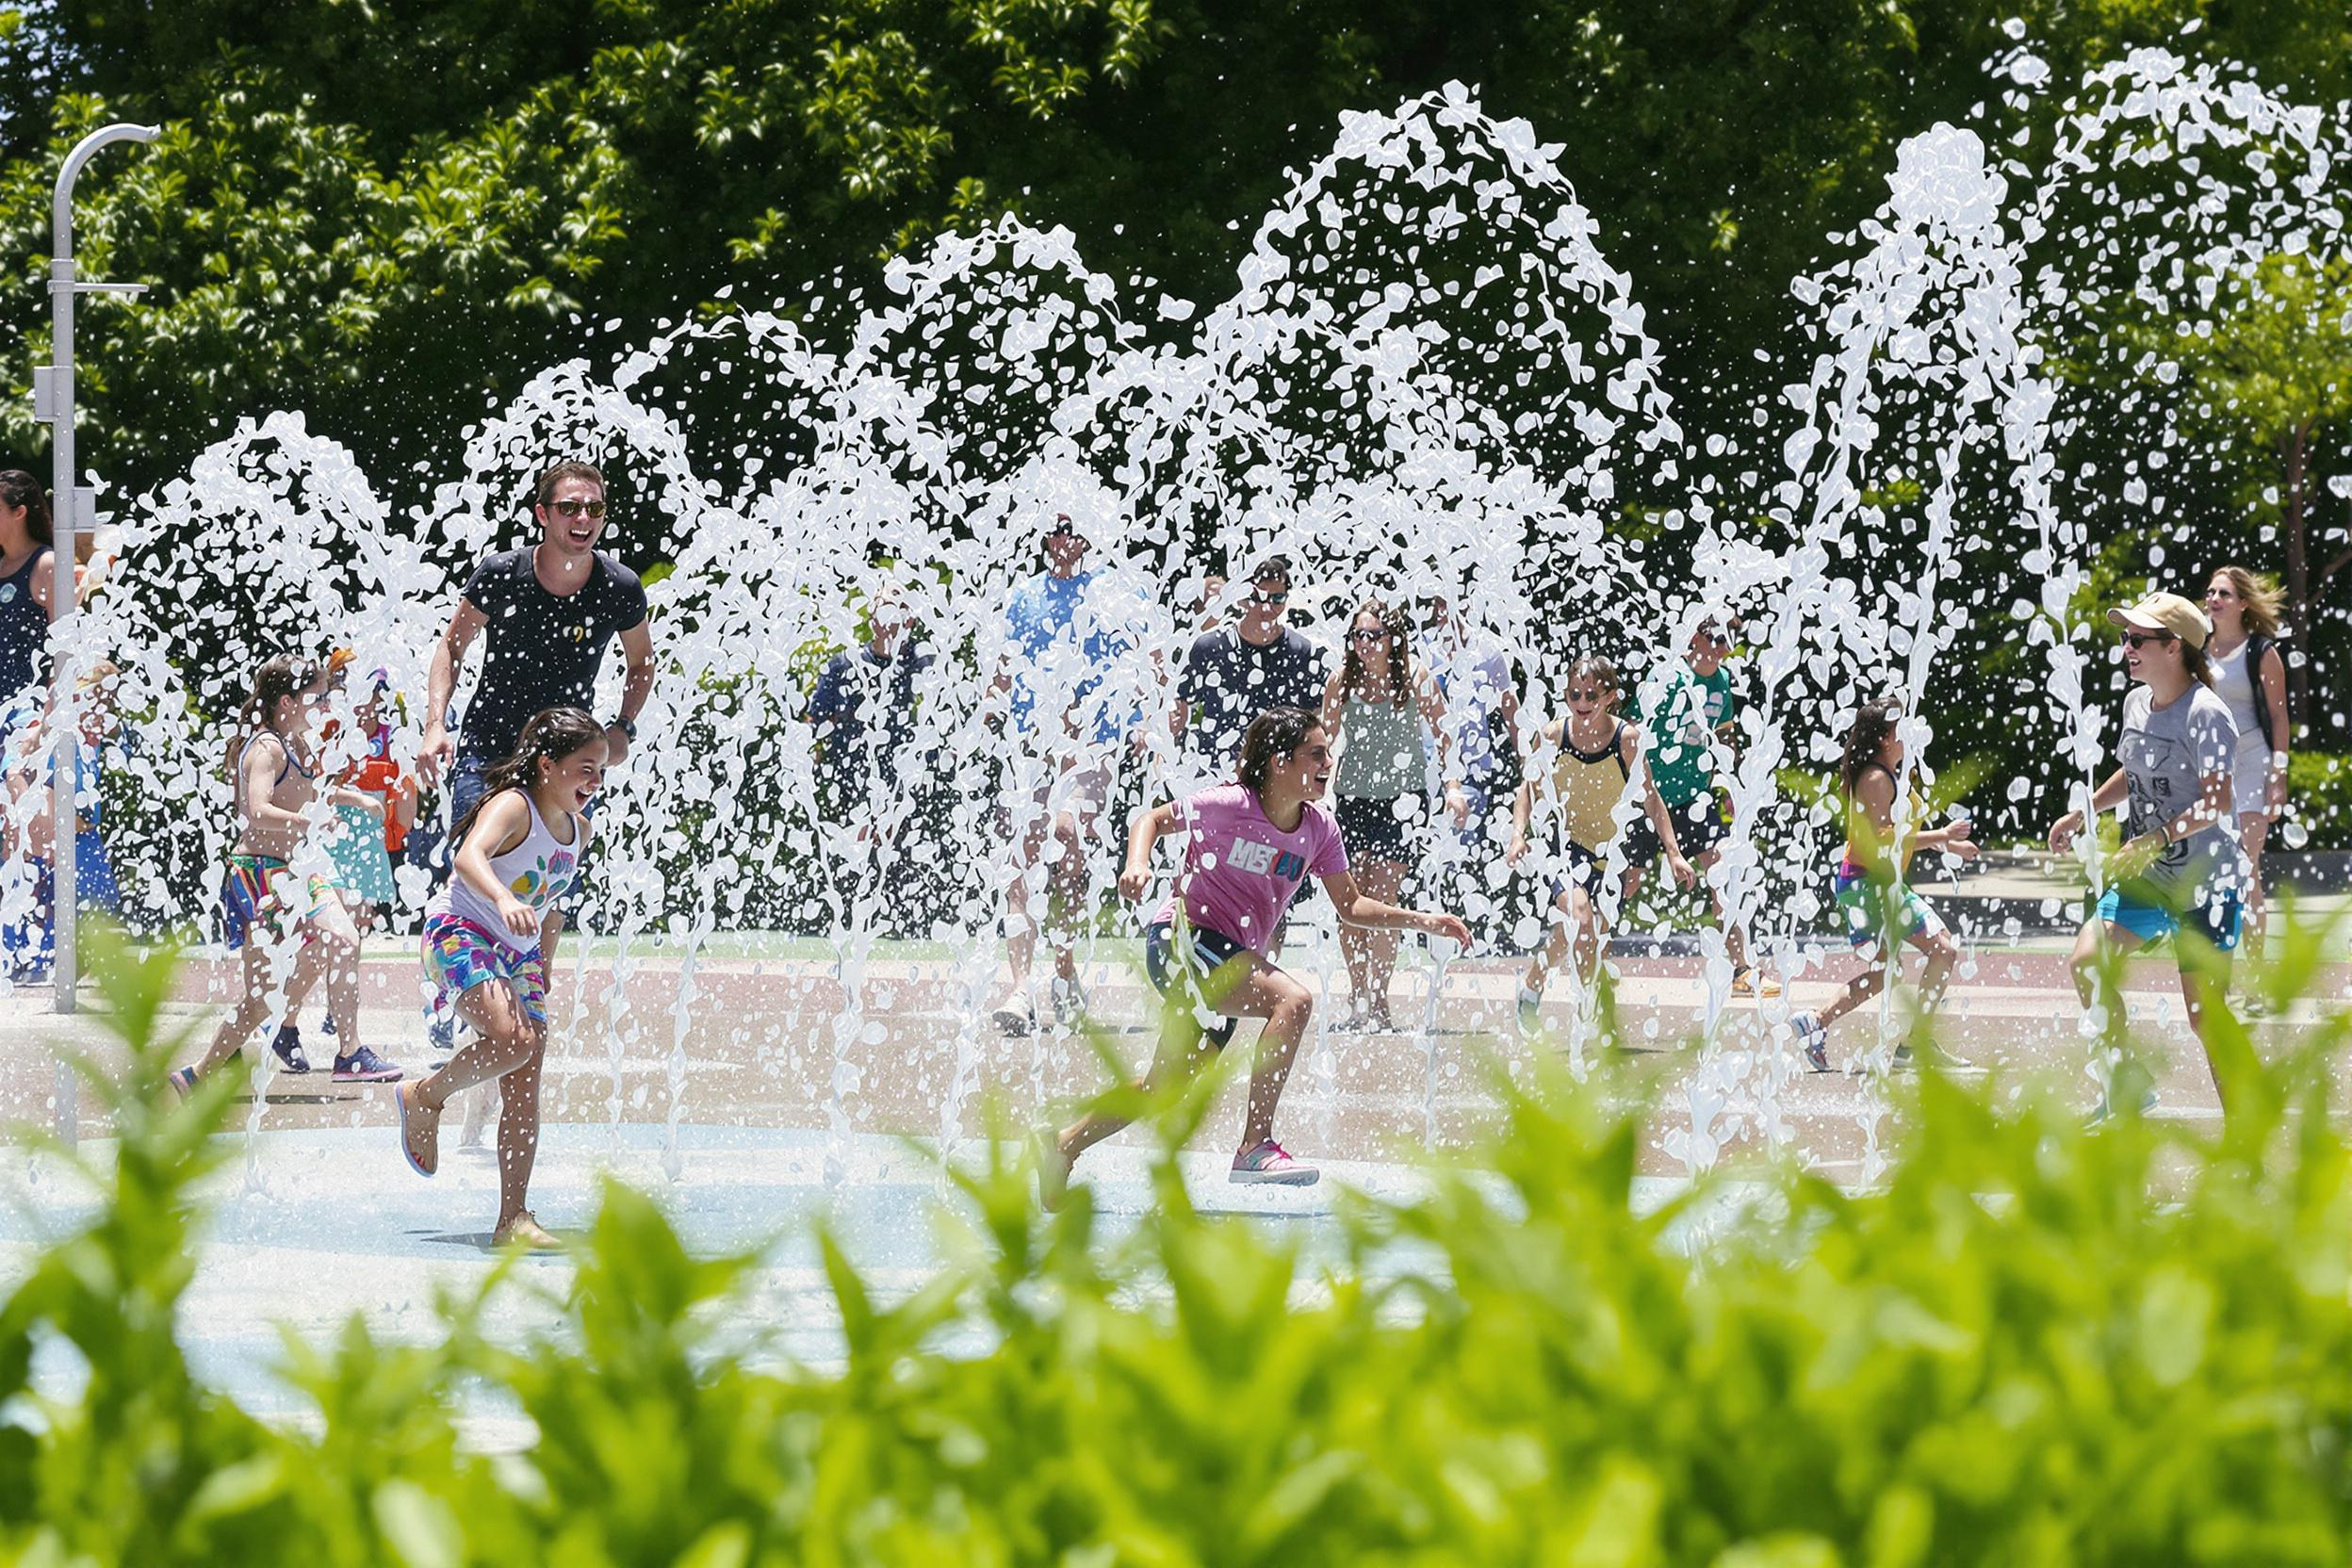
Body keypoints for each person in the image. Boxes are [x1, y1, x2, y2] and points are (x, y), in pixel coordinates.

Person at [1037, 706, 1471, 1204]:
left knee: (1164, 1088)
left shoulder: (1319, 830)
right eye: (1317, 753)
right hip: (1182, 941)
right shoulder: (1230, 805)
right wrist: (1137, 866)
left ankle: (1064, 1144)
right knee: (1293, 1000)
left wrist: (1424, 920)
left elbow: (1352, 906)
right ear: (1279, 763)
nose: (1329, 762)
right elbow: (1151, 820)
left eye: (1328, 752)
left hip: (1227, 955)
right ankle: (1254, 1145)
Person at [418, 461, 653, 1049]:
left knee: (552, 874)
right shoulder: (502, 574)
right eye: (570, 508)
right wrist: (433, 726)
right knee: (477, 862)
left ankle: (530, 983)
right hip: (490, 749)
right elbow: (452, 646)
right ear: (542, 515)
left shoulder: (619, 587)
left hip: (565, 756)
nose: (583, 519)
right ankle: (454, 983)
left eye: (594, 509)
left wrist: (624, 725)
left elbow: (641, 661)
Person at [395, 708, 605, 1250]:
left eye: (600, 771)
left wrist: (546, 962)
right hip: (460, 931)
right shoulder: (515, 806)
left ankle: (513, 1218)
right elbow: (468, 857)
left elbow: (554, 905)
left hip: (520, 953)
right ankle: (425, 1095)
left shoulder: (579, 830)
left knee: (525, 1080)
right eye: (585, 768)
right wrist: (503, 897)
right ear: (546, 765)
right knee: (513, 1041)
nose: (595, 782)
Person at [170, 656, 403, 1097]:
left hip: (297, 872)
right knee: (263, 997)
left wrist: (354, 798)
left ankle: (350, 1052)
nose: (324, 705)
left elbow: (308, 791)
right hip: (260, 877)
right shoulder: (267, 749)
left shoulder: (297, 744)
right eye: (316, 697)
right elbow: (256, 811)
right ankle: (196, 1075)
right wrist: (309, 824)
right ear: (287, 701)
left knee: (341, 941)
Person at [2047, 592, 2243, 1110]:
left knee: (2206, 1019)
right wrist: (2084, 810)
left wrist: (2152, 839)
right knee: (2089, 960)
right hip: (2150, 877)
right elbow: (2134, 773)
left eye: (2138, 639)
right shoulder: (2137, 703)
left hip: (2206, 884)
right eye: (2125, 638)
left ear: (2174, 647)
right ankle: (2126, 1082)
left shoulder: (2206, 714)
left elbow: (2219, 802)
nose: (2127, 648)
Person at [985, 510, 1146, 1035]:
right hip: (1033, 741)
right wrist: (988, 705)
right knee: (1021, 855)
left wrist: (1144, 722)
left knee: (1065, 834)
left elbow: (1139, 660)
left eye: (1073, 529)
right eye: (1054, 529)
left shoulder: (1109, 593)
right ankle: (1020, 987)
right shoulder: (1024, 597)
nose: (1063, 539)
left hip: (1091, 742)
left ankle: (1066, 967)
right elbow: (1008, 665)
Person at [1785, 697, 1976, 1070]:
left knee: (1887, 972)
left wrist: (1949, 844)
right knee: (1943, 949)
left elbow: (1899, 832)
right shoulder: (1875, 778)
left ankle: (1816, 1022)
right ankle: (1915, 1044)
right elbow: (1885, 838)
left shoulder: (1891, 774)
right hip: (1868, 885)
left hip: (1873, 885)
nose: (1912, 732)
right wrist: (1941, 836)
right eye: (1903, 727)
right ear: (1888, 737)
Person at [1505, 656, 1692, 1036]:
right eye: (1575, 694)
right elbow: (1527, 786)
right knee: (1581, 921)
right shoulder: (1554, 736)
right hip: (1566, 845)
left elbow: (1651, 799)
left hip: (1613, 852)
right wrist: (1518, 834)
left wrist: (1673, 853)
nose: (1582, 701)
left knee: (1587, 933)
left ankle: (1530, 987)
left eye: (1592, 693)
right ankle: (1589, 1014)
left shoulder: (1627, 740)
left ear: (1610, 696)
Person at [1321, 598, 1463, 1031]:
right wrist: (1311, 793)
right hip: (1352, 799)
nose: (1365, 644)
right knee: (1349, 903)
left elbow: (1445, 733)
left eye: (1374, 635)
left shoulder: (1415, 678)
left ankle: (1379, 1000)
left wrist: (1454, 787)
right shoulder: (1341, 681)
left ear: (1393, 639)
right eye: (1358, 636)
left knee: (1383, 897)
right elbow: (1324, 741)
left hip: (1402, 802)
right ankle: (1355, 994)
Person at [1624, 612, 1775, 997]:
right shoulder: (1667, 678)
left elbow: (1724, 736)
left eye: (1731, 639)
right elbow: (1631, 733)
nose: (1725, 647)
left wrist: (1727, 780)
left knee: (1723, 876)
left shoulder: (1723, 682)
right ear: (1696, 636)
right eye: (1718, 637)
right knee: (1628, 883)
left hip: (1696, 798)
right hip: (1651, 797)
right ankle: (1588, 954)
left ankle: (1742, 968)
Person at [804, 587, 940, 928]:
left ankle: (897, 917)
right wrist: (812, 757)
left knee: (895, 839)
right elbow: (814, 718)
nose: (891, 614)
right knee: (857, 841)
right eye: (884, 604)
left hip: (902, 769)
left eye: (901, 606)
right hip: (851, 768)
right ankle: (847, 915)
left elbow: (941, 709)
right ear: (872, 616)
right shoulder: (844, 663)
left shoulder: (921, 663)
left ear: (909, 619)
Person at [2, 662, 127, 980]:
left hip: (84, 836)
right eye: (102, 695)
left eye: (112, 698)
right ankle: (32, 969)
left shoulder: (90, 734)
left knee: (99, 911)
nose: (108, 706)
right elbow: (16, 771)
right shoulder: (50, 728)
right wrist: (32, 831)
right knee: (42, 903)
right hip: (57, 838)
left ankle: (51, 968)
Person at [2201, 566, 2289, 1003]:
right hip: (2212, 772)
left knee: (2243, 868)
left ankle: (2252, 978)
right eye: (2211, 591)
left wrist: (2279, 775)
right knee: (2219, 872)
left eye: (2224, 593)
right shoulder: (2196, 649)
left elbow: (2278, 717)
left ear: (2243, 603)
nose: (2214, 598)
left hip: (2253, 768)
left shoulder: (2261, 651)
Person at [1419, 591, 1521, 932]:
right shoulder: (1423, 648)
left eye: (1454, 605)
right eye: (1439, 604)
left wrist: (1526, 761)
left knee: (1462, 851)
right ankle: (1429, 928)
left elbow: (1510, 706)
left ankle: (1463, 925)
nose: (1446, 613)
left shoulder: (1487, 650)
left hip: (1472, 767)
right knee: (1425, 847)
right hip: (1426, 766)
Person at [1173, 555, 1328, 776]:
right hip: (1214, 776)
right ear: (1241, 598)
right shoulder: (1208, 647)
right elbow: (1178, 710)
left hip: (1275, 782)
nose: (1267, 608)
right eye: (1258, 597)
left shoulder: (1302, 653)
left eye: (1277, 599)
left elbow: (1318, 720)